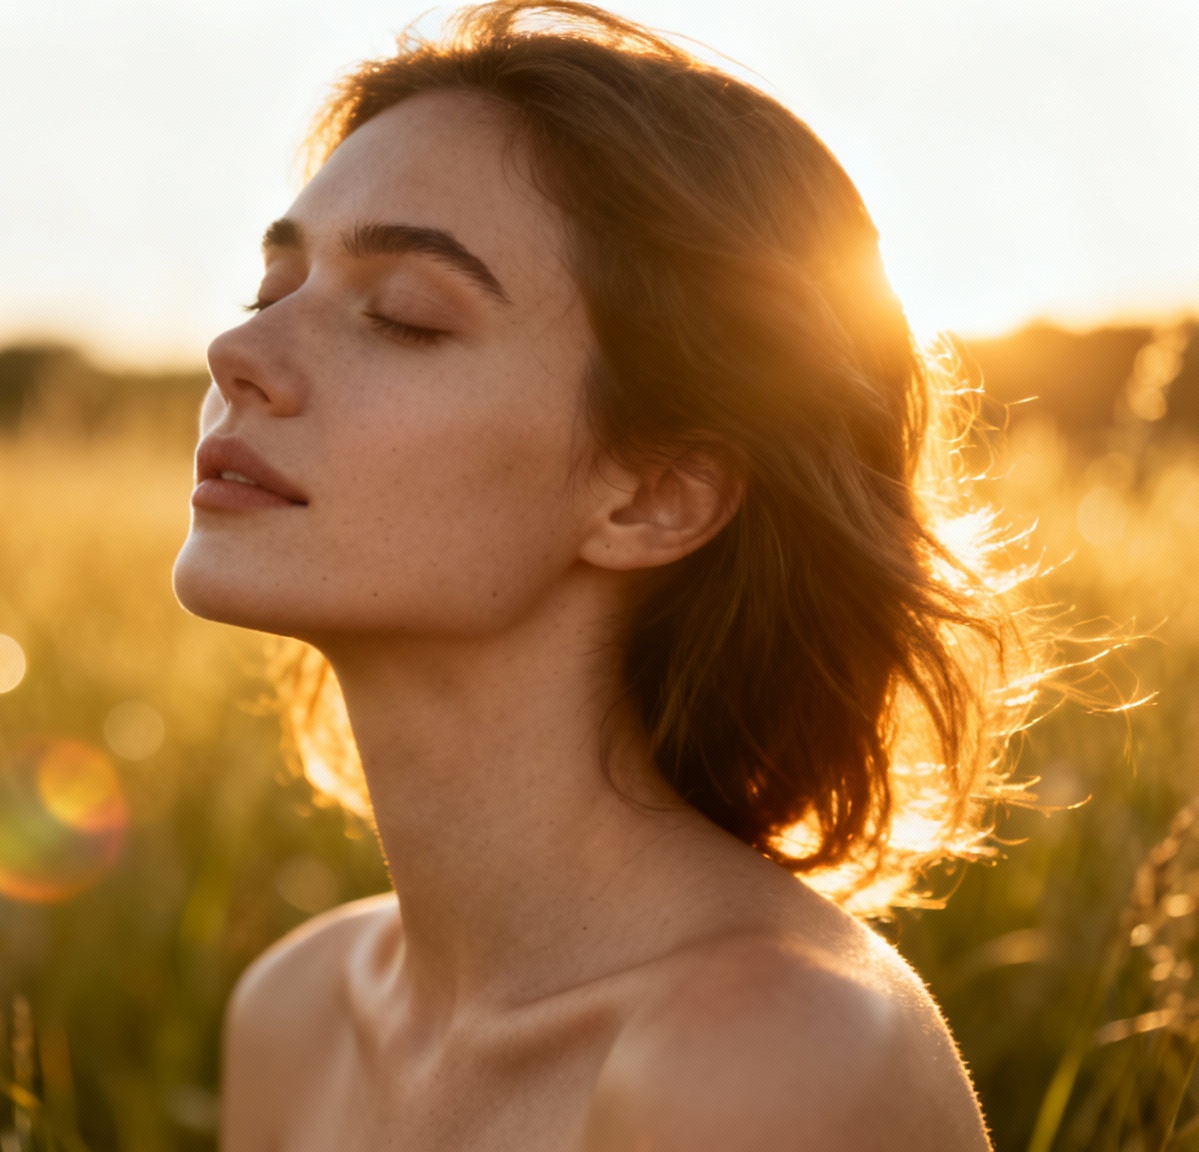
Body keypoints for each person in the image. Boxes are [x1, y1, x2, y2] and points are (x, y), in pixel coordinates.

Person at [170, 3, 1045, 1149]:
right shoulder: (297, 1012)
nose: (238, 355)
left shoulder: (763, 1059)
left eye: (402, 318)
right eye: (270, 289)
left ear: (652, 496)